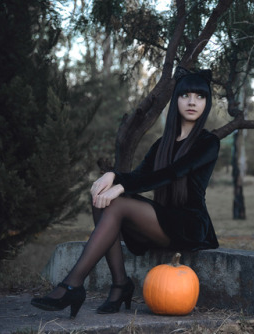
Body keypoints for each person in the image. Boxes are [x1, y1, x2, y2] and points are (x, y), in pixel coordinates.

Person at [31, 66, 220, 318]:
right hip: (161, 221)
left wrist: (121, 185)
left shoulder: (208, 142)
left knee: (117, 202)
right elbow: (141, 175)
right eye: (185, 96)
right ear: (175, 101)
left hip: (190, 226)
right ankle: (120, 284)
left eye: (200, 96)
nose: (192, 102)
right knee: (102, 200)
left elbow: (172, 172)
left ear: (206, 103)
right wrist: (113, 176)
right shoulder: (161, 144)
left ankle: (73, 285)